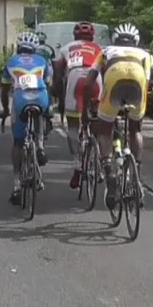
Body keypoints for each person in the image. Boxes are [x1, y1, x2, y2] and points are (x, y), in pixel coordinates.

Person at [85, 23, 153, 209]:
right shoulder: (146, 54)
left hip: (114, 79)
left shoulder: (106, 51)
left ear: (115, 39)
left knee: (104, 130)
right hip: (138, 81)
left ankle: (109, 170)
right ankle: (136, 177)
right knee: (135, 130)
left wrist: (87, 107)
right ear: (136, 41)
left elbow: (89, 81)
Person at [0, 31, 54, 206]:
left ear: (19, 46)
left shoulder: (11, 61)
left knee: (18, 142)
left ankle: (16, 185)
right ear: (35, 48)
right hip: (41, 96)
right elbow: (49, 85)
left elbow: (4, 90)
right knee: (42, 113)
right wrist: (50, 108)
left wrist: (6, 109)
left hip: (20, 99)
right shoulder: (43, 61)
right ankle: (40, 146)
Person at [54, 21, 104, 189]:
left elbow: (58, 74)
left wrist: (59, 98)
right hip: (95, 78)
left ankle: (77, 164)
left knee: (73, 126)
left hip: (75, 79)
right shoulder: (99, 49)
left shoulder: (67, 48)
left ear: (75, 36)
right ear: (92, 36)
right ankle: (98, 158)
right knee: (98, 120)